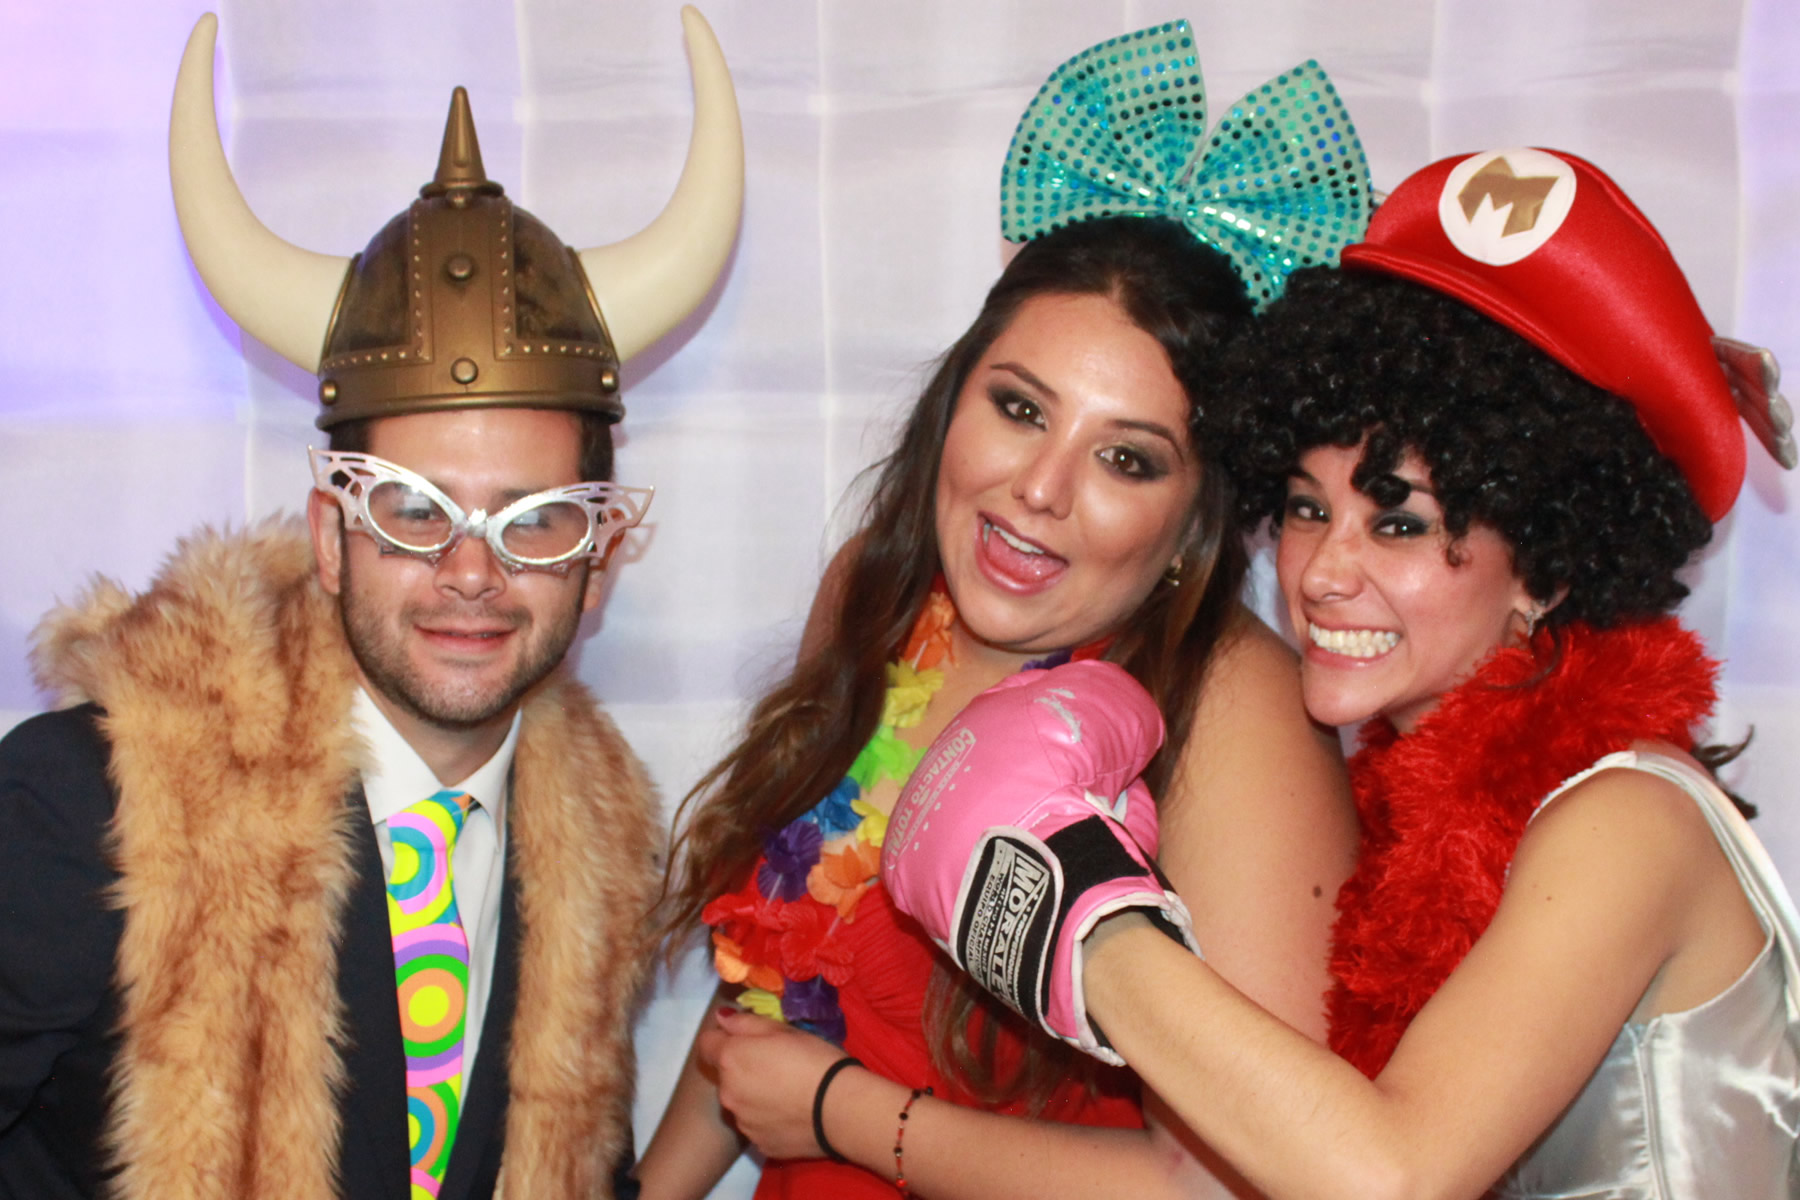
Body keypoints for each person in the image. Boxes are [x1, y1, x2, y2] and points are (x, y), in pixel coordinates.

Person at [883, 145, 1800, 1198]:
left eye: (1399, 523)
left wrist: (1068, 905)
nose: (1322, 572)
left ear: (1547, 566)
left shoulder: (1628, 820)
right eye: (1309, 509)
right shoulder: (1407, 816)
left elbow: (1386, 1180)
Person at [0, 10, 742, 1200]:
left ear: (599, 561)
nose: (470, 571)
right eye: (411, 510)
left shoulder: (595, 867)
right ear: (329, 539)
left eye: (534, 519)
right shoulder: (93, 806)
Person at [637, 22, 1366, 1200]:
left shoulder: (1237, 712)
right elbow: (769, 981)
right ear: (955, 397)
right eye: (1020, 409)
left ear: (1197, 514)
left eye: (1126, 459)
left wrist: (843, 1114)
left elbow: (1235, 1182)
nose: (1039, 488)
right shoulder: (876, 594)